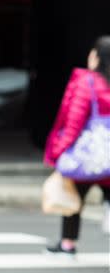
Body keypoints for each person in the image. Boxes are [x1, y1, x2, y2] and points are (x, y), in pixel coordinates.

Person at [45, 36, 110, 254]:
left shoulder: (88, 82)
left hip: (88, 157)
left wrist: (58, 152)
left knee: (73, 196)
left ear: (97, 58)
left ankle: (68, 244)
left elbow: (73, 122)